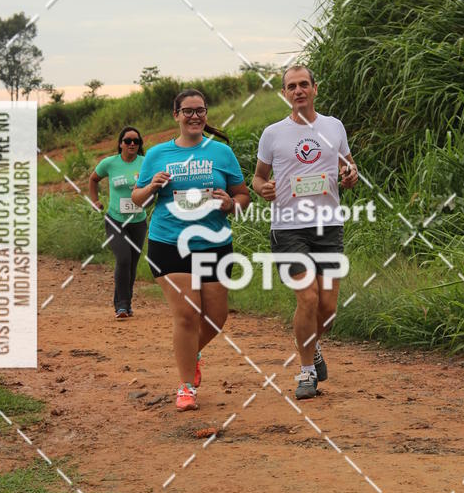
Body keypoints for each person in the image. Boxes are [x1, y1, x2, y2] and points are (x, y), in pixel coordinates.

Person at [132, 89, 249, 412]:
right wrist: (152, 186)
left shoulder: (222, 153)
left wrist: (230, 204)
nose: (194, 116)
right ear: (176, 115)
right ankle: (185, 387)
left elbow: (243, 195)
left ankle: (191, 354)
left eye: (200, 110)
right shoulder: (157, 154)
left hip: (214, 243)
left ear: (206, 114)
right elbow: (137, 199)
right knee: (187, 314)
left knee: (216, 316)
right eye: (187, 111)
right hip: (169, 242)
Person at [253, 64, 358, 400]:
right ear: (285, 94)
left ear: (315, 88)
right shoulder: (273, 134)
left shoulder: (334, 126)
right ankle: (306, 373)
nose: (298, 91)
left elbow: (348, 165)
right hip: (288, 227)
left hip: (328, 225)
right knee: (308, 297)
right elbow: (257, 178)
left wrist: (350, 175)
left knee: (327, 307)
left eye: (303, 85)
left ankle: (311, 346)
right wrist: (262, 189)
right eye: (291, 86)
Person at [89, 126, 147, 319]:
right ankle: (121, 306)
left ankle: (126, 304)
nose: (132, 144)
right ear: (120, 143)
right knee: (123, 259)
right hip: (115, 220)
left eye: (136, 141)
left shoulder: (145, 163)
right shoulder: (110, 163)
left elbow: (155, 184)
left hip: (138, 221)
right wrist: (95, 200)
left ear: (139, 145)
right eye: (128, 140)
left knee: (132, 264)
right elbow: (94, 179)